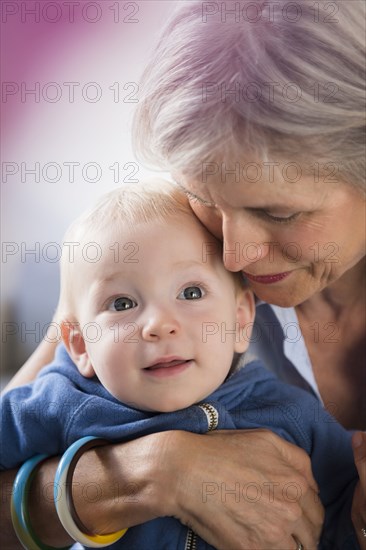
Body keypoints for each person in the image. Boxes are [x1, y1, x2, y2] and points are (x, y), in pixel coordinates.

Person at [1, 0, 365, 548]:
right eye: (203, 197)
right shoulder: (148, 257)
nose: (235, 254)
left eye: (279, 213)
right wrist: (152, 472)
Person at [0, 180, 361, 549]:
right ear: (80, 344)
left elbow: (342, 512)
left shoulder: (291, 413)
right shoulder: (64, 400)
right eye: (122, 303)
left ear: (240, 321)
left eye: (191, 293)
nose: (159, 324)